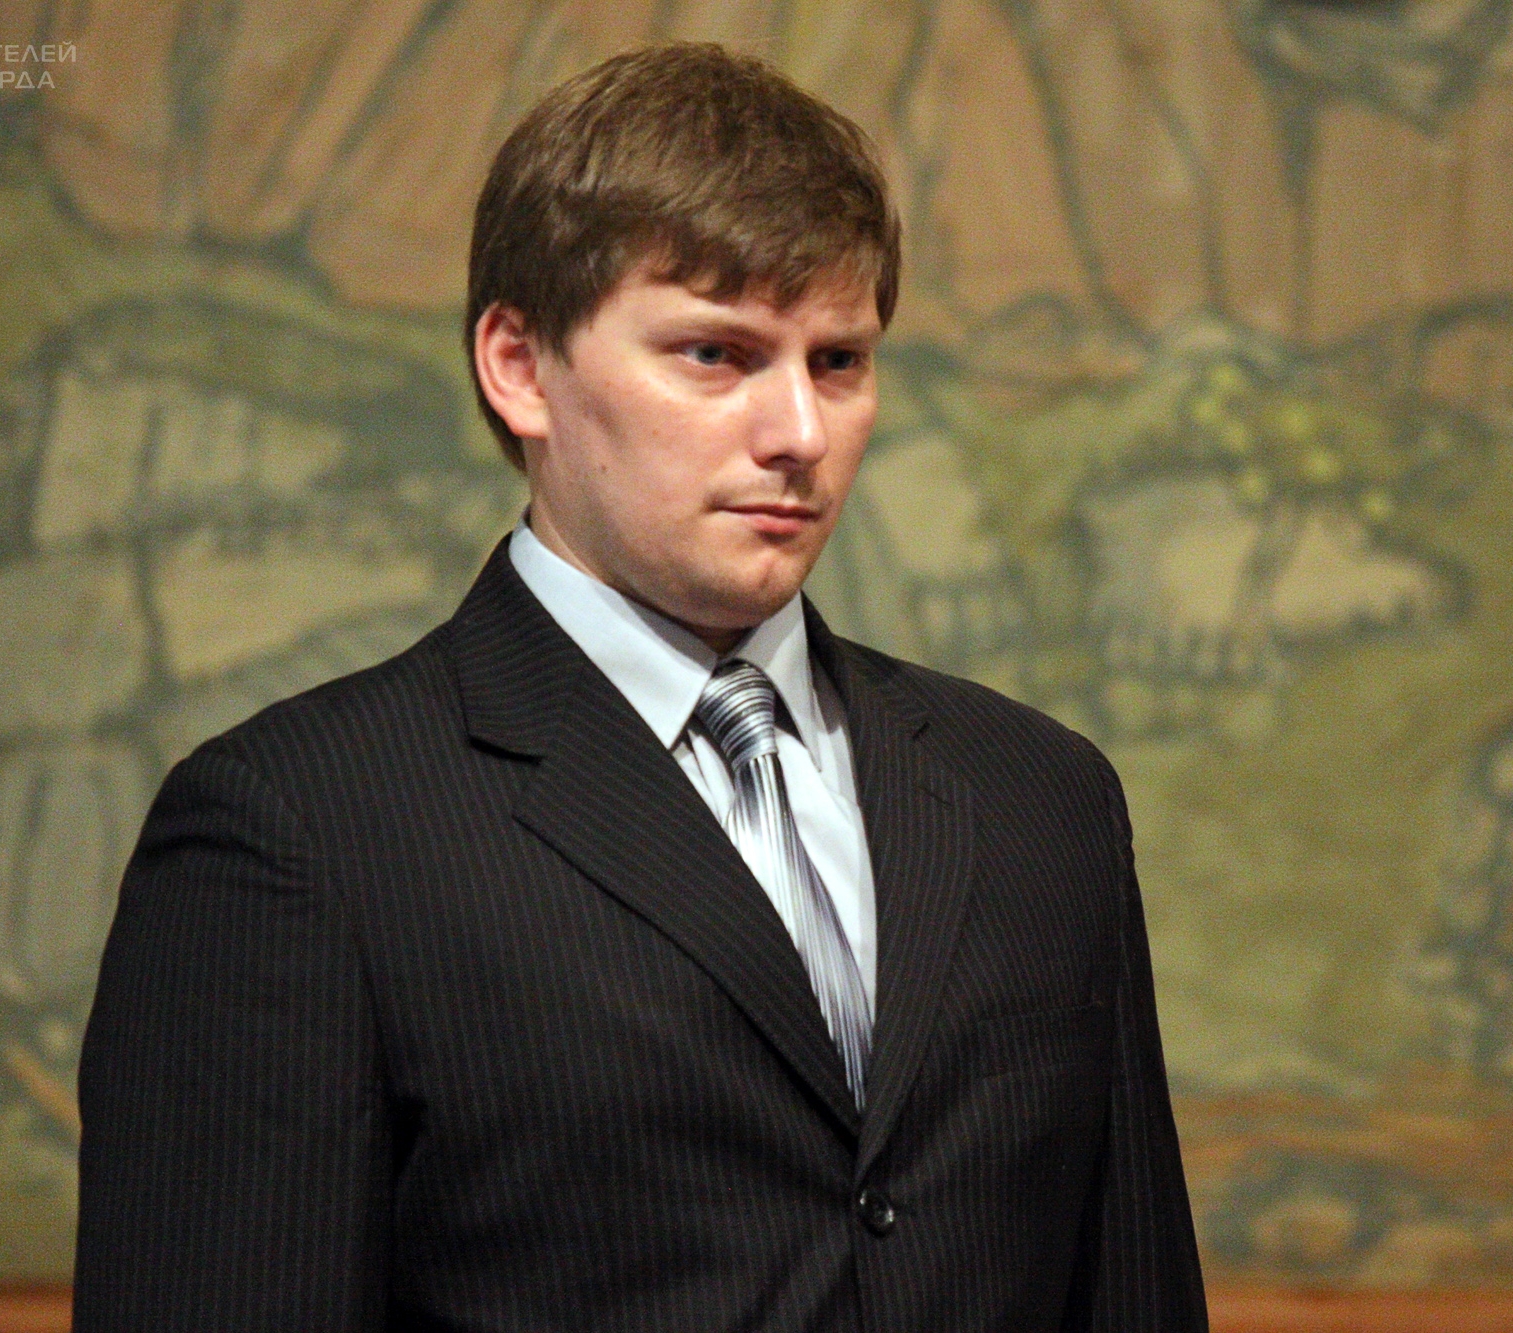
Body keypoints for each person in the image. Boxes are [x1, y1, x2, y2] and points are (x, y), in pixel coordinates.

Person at [74, 42, 1207, 1333]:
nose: (799, 432)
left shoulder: (1042, 799)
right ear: (519, 365)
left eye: (839, 362)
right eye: (717, 354)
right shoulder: (298, 829)